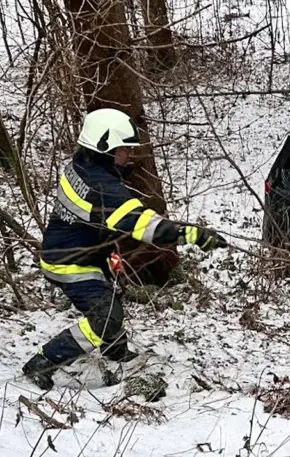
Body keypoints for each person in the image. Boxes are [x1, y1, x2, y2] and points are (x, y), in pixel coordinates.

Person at [22, 108, 227, 391]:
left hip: (80, 253)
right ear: (104, 147)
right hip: (69, 263)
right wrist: (189, 234)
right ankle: (44, 361)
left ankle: (115, 352)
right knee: (106, 316)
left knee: (109, 299)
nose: (128, 155)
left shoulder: (81, 165)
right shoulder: (102, 188)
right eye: (123, 150)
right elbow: (144, 225)